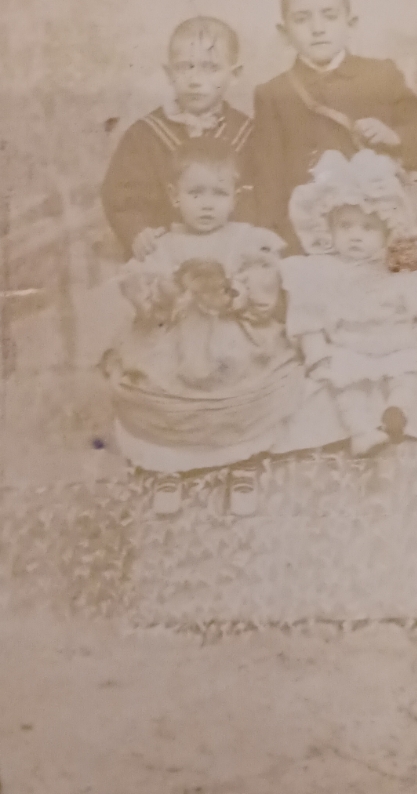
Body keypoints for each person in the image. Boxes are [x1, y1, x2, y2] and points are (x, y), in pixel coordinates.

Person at [105, 141, 302, 515]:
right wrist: (163, 293)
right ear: (174, 196)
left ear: (235, 196)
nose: (208, 204)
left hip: (232, 338)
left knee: (245, 383)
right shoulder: (163, 244)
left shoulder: (246, 239)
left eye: (219, 193)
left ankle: (243, 464)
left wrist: (238, 294)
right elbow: (142, 293)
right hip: (174, 343)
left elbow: (265, 284)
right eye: (196, 193)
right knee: (161, 391)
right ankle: (167, 467)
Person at [281, 150, 417, 457]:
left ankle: (396, 411)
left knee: (409, 373)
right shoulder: (320, 270)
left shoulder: (400, 267)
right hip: (347, 347)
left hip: (395, 345)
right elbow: (308, 320)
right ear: (329, 229)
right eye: (345, 227)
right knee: (342, 384)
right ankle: (361, 431)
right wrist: (317, 357)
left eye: (367, 228)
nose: (355, 236)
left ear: (387, 231)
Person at [251, 0, 417, 243]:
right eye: (301, 19)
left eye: (330, 16)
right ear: (284, 32)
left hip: (382, 237)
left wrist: (396, 138)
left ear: (351, 23)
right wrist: (277, 248)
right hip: (312, 242)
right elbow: (268, 185)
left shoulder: (381, 75)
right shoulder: (273, 94)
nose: (317, 28)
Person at [101, 15, 252, 256]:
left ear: (234, 75)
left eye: (210, 68)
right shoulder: (144, 136)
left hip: (233, 251)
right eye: (184, 67)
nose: (195, 80)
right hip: (168, 253)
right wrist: (137, 232)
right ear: (169, 73)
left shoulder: (248, 133)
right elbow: (122, 198)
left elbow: (263, 198)